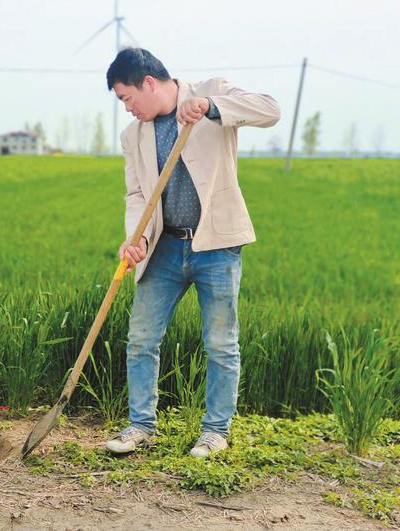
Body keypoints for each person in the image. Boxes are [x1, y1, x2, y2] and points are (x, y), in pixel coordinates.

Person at [104, 48, 280, 457]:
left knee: (220, 342)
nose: (127, 108)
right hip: (164, 248)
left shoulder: (210, 92)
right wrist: (138, 237)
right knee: (141, 339)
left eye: (127, 98)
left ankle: (215, 431)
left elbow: (270, 110)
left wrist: (212, 107)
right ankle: (140, 427)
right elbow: (137, 194)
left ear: (148, 82)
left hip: (216, 244)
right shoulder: (133, 136)